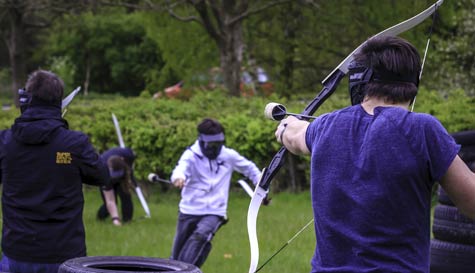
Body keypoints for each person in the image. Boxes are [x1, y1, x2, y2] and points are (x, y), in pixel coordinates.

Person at [274, 35, 475, 273]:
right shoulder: (423, 129)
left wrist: (285, 125)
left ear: (359, 80)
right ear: (413, 83)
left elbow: (294, 136)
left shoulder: (325, 126)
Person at [0, 70, 110, 273]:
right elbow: (104, 176)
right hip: (63, 255)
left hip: (17, 252)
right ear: (58, 102)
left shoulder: (5, 141)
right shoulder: (74, 143)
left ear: (27, 99)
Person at [170, 118, 262, 267]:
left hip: (215, 211)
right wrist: (178, 178)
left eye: (218, 143)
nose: (214, 148)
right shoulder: (191, 155)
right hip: (189, 210)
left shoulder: (228, 155)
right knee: (175, 257)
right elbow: (180, 169)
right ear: (201, 140)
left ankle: (184, 271)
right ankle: (184, 268)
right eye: (211, 144)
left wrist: (260, 185)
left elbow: (250, 168)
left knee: (200, 236)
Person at [97, 147, 136, 226]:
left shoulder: (128, 155)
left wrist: (129, 176)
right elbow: (110, 200)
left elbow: (131, 166)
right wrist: (115, 219)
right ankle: (100, 218)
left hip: (123, 173)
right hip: (107, 177)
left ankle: (127, 221)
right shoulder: (101, 169)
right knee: (109, 203)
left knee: (126, 196)